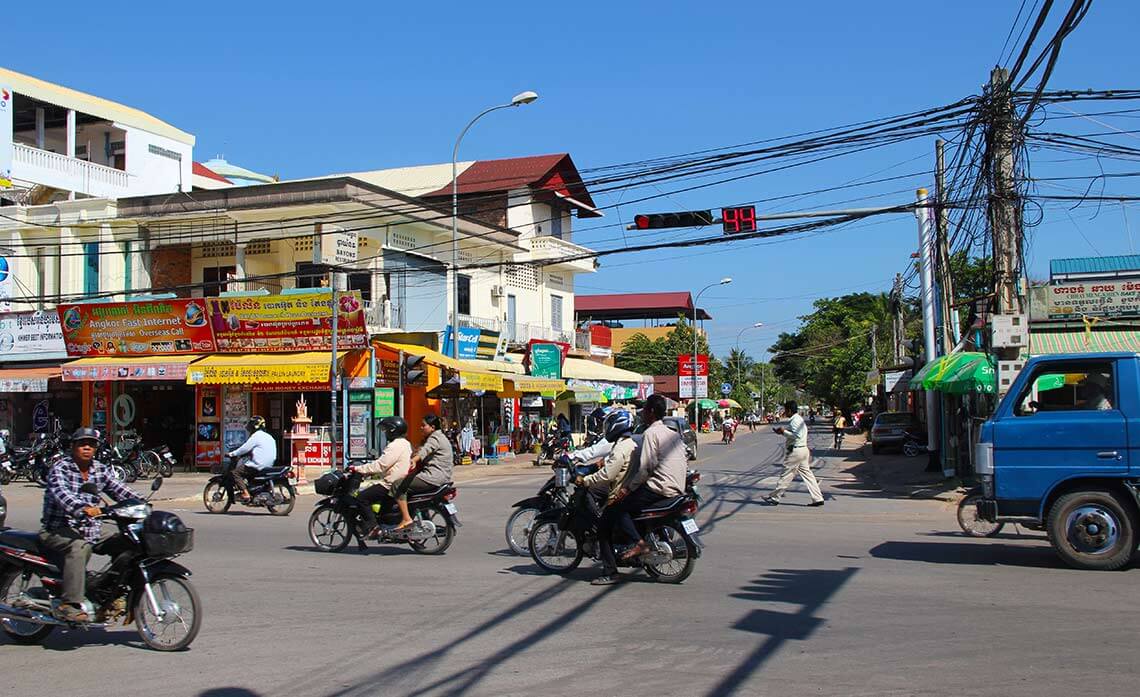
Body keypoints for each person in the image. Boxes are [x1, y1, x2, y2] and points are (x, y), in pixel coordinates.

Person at [39, 427, 139, 622]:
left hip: (90, 527)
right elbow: (62, 495)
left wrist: (141, 503)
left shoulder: (100, 469)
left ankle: (110, 594)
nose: (87, 448)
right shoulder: (60, 468)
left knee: (128, 539)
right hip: (57, 529)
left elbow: (120, 489)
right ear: (73, 447)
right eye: (82, 444)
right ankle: (70, 604)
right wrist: (83, 508)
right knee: (79, 547)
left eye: (91, 444)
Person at [593, 394, 688, 586]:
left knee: (613, 510)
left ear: (651, 412)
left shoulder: (650, 434)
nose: (642, 414)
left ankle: (622, 560)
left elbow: (645, 469)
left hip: (658, 487)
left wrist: (626, 489)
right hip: (678, 487)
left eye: (644, 410)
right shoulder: (672, 433)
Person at [353, 416, 414, 538]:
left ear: (392, 430)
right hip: (400, 480)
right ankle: (386, 526)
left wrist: (359, 469)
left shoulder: (394, 446)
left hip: (390, 483)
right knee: (382, 508)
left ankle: (373, 527)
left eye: (386, 430)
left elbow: (381, 465)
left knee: (361, 498)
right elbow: (387, 466)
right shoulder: (406, 443)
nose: (385, 433)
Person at [763, 400, 824, 507]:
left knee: (786, 474)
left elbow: (797, 436)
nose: (784, 412)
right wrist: (782, 432)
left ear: (790, 410)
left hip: (796, 451)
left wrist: (784, 432)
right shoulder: (798, 419)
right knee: (807, 474)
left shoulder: (795, 420)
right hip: (803, 450)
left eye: (785, 410)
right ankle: (818, 498)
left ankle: (775, 497)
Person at [578, 410, 637, 521]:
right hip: (627, 485)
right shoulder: (629, 442)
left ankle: (598, 519)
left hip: (619, 489)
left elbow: (607, 474)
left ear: (617, 425)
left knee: (588, 490)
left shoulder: (620, 447)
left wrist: (586, 480)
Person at [226, 416, 277, 503]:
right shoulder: (269, 436)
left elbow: (244, 448)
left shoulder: (256, 436)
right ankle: (253, 490)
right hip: (269, 464)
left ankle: (245, 493)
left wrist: (232, 454)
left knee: (235, 473)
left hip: (257, 465)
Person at [407, 413, 455, 495]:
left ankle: (404, 508)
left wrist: (414, 460)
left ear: (432, 427)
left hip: (432, 477)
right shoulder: (440, 436)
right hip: (443, 477)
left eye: (423, 425)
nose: (421, 428)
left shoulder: (435, 437)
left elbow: (425, 450)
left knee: (397, 485)